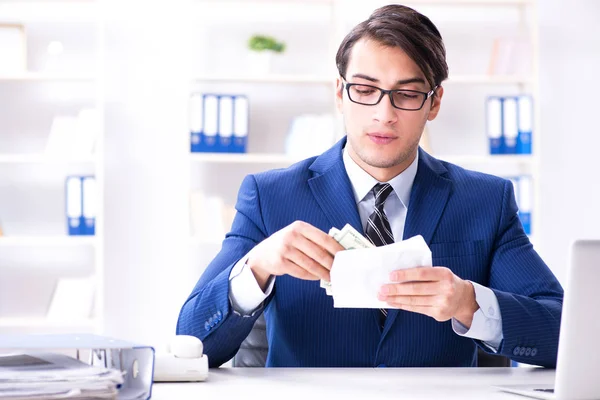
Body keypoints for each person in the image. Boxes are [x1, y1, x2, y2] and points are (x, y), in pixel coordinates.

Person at [177, 4, 563, 368]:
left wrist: (470, 303)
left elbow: (565, 332)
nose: (384, 115)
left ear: (434, 103)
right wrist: (256, 267)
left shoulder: (485, 201)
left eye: (408, 94)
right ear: (340, 93)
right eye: (364, 90)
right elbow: (190, 341)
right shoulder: (269, 197)